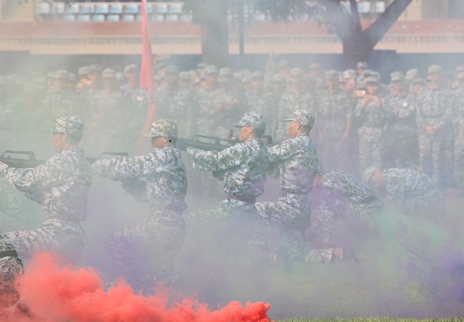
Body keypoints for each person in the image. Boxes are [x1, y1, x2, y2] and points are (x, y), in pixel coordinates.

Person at [90, 118, 188, 289]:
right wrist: (129, 182)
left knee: (118, 241)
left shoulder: (167, 154)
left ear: (165, 138)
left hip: (165, 222)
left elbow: (131, 166)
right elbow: (146, 195)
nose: (151, 141)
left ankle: (130, 286)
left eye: (154, 137)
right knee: (158, 280)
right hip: (169, 223)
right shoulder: (170, 159)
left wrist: (98, 165)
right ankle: (150, 303)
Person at [0, 116, 92, 264]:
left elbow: (27, 180)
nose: (52, 139)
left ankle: (10, 287)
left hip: (57, 233)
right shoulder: (83, 163)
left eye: (55, 134)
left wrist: (3, 168)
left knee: (2, 245)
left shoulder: (64, 159)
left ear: (65, 136)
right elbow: (53, 195)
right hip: (74, 236)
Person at [187, 110, 269, 237]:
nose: (239, 131)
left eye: (242, 127)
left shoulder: (245, 148)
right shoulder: (263, 148)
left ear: (251, 128)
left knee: (190, 221)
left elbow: (215, 160)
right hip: (248, 208)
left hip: (234, 209)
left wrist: (191, 150)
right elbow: (241, 174)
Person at [258, 109, 321, 265]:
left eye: (291, 123)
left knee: (255, 211)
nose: (288, 127)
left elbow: (267, 155)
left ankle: (260, 254)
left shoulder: (298, 143)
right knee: (298, 256)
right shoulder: (308, 146)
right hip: (300, 203)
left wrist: (245, 148)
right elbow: (282, 170)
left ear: (299, 125)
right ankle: (336, 254)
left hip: (293, 204)